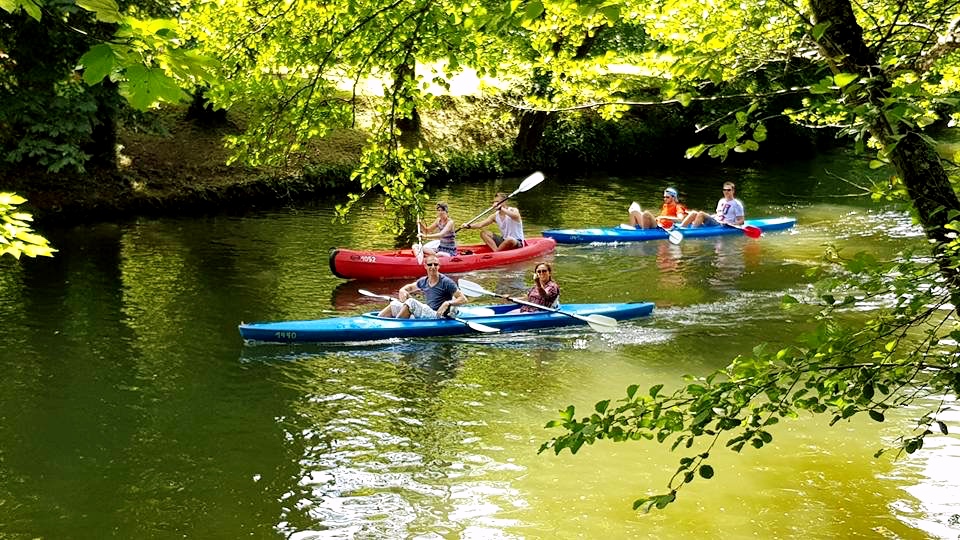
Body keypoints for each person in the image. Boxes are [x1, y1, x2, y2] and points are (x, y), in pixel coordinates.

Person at [377, 254, 468, 319]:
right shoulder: (423, 281)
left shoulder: (446, 282)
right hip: (427, 312)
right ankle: (377, 323)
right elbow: (409, 288)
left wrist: (447, 303)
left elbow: (463, 299)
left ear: (439, 266)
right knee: (394, 304)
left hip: (437, 315)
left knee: (411, 302)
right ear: (425, 266)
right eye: (430, 264)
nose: (433, 267)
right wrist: (402, 290)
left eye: (435, 264)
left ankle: (396, 327)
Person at [680, 181, 745, 228]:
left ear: (733, 191)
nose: (726, 192)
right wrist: (710, 216)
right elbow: (718, 214)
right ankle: (681, 228)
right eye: (724, 190)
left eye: (728, 190)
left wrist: (732, 224)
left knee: (701, 214)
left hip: (722, 225)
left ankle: (692, 232)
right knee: (693, 213)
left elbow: (741, 221)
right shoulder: (721, 201)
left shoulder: (737, 204)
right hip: (716, 220)